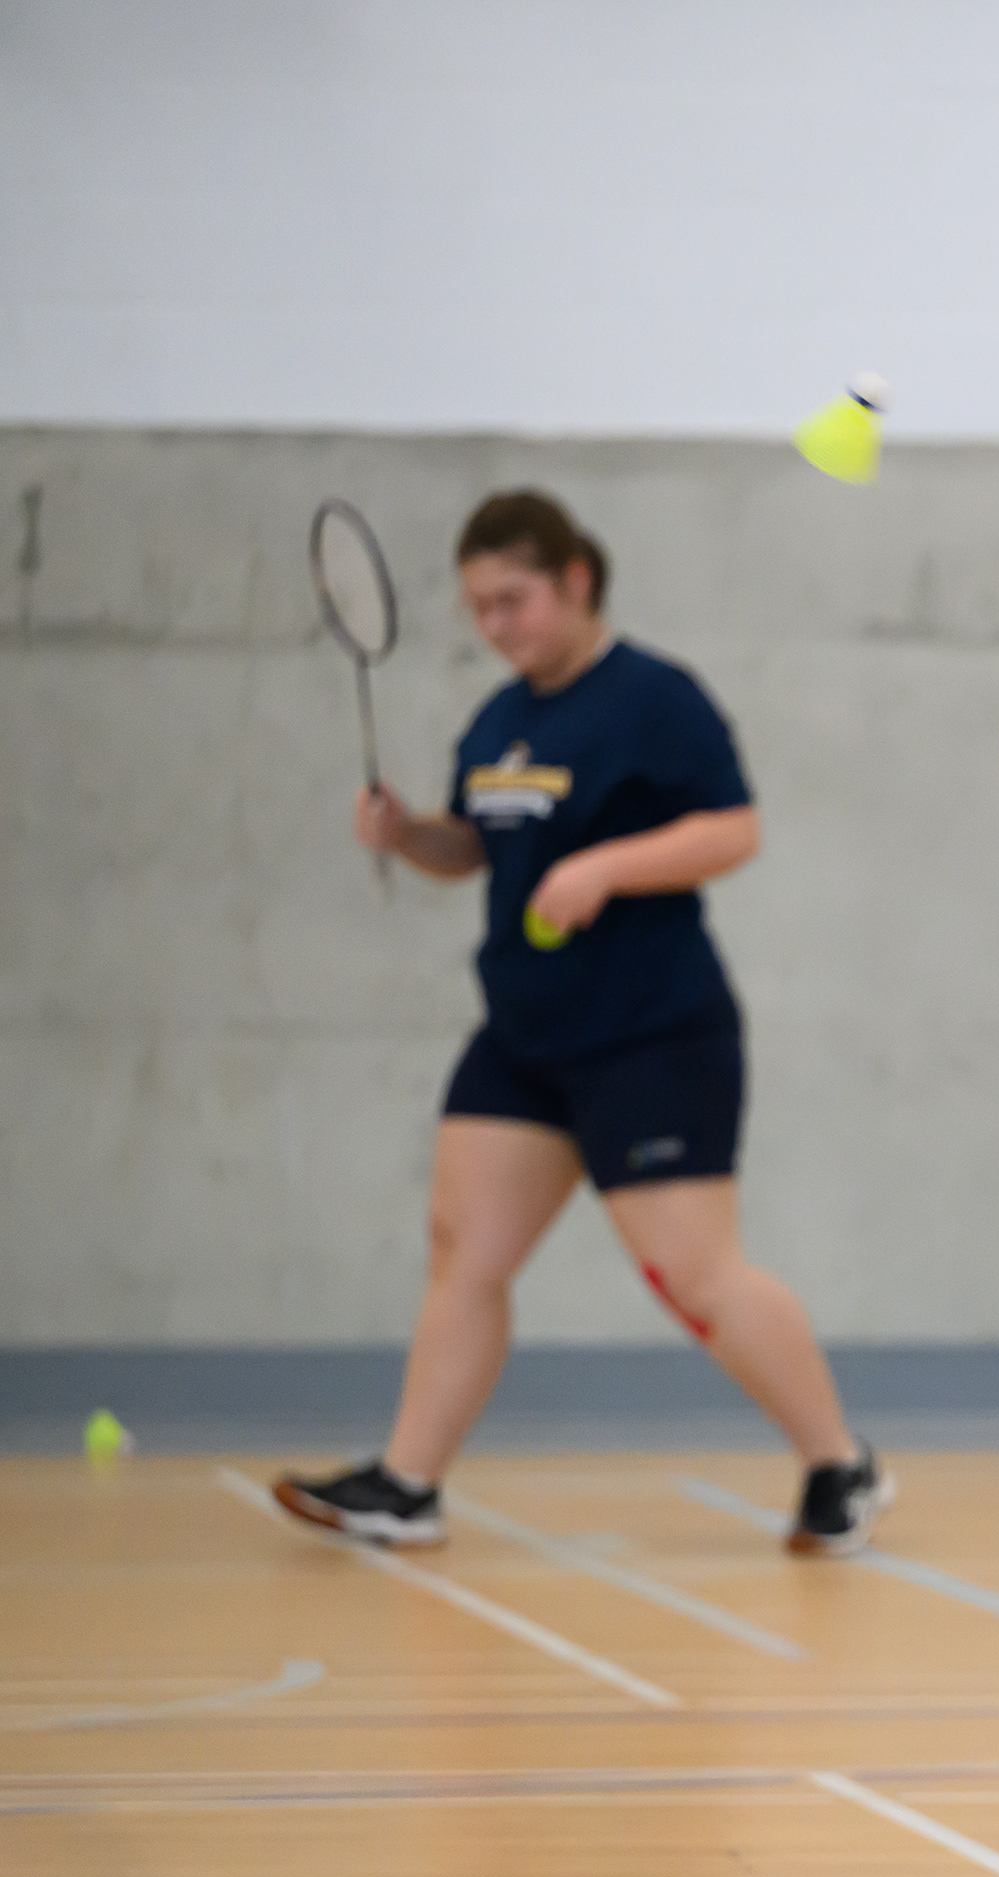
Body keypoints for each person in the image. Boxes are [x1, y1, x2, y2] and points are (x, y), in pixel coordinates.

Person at [275, 491, 891, 1556]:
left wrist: (606, 867)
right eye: (478, 608)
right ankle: (409, 1485)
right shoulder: (498, 721)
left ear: (576, 581)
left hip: (651, 1033)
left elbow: (734, 830)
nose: (496, 626)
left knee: (694, 1274)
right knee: (465, 1250)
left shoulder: (656, 699)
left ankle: (840, 1462)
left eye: (512, 600)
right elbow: (477, 847)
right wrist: (409, 833)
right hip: (524, 1036)